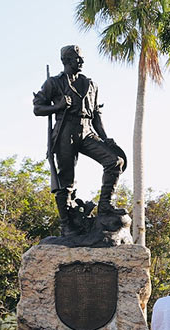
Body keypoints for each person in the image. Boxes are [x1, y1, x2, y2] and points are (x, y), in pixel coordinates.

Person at [33, 45, 126, 237]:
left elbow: (96, 116)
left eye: (81, 58)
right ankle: (67, 224)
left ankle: (105, 206)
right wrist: (57, 106)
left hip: (87, 130)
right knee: (65, 181)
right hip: (65, 130)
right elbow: (38, 109)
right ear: (66, 61)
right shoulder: (54, 83)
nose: (81, 62)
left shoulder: (90, 84)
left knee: (114, 161)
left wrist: (105, 137)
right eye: (77, 59)